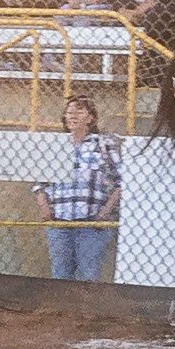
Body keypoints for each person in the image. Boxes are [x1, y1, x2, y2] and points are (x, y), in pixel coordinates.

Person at [46, 90, 121, 285]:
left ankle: (86, 315)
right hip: (60, 222)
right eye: (69, 111)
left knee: (89, 277)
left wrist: (106, 211)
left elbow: (123, 180)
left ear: (91, 117)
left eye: (79, 111)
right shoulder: (57, 144)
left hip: (91, 223)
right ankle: (61, 314)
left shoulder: (103, 143)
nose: (71, 115)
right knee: (60, 276)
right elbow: (41, 182)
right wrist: (46, 209)